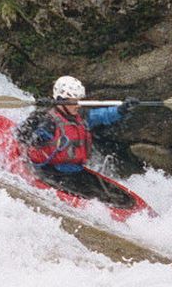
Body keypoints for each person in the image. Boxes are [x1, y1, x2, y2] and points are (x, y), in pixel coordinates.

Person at [16, 75, 138, 209]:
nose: (77, 105)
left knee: (118, 200)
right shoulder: (46, 120)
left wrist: (122, 109)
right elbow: (24, 135)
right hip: (49, 171)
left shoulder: (82, 118)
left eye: (78, 101)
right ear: (61, 101)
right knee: (96, 200)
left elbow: (104, 115)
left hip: (76, 172)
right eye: (73, 101)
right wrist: (40, 131)